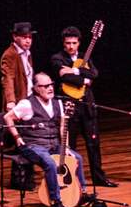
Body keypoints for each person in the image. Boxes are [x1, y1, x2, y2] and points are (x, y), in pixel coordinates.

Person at [4, 72, 93, 207]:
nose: (50, 88)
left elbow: (63, 126)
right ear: (36, 88)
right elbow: (8, 117)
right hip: (33, 145)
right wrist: (17, 137)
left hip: (53, 145)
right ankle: (55, 201)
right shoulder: (27, 104)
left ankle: (82, 193)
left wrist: (66, 147)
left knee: (77, 158)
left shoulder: (57, 102)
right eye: (46, 86)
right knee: (50, 163)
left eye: (51, 84)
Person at [50, 26, 117, 187]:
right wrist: (83, 78)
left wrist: (75, 71)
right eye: (68, 43)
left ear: (79, 43)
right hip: (69, 106)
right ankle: (72, 180)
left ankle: (98, 178)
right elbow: (63, 76)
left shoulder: (84, 57)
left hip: (87, 106)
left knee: (93, 143)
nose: (71, 46)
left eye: (74, 43)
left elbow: (94, 74)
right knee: (69, 145)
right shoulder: (57, 58)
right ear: (63, 43)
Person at [1, 22, 35, 111]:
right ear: (15, 37)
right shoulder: (10, 54)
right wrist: (11, 101)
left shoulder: (27, 53)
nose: (28, 41)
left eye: (30, 37)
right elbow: (8, 78)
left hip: (29, 97)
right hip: (18, 100)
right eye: (24, 37)